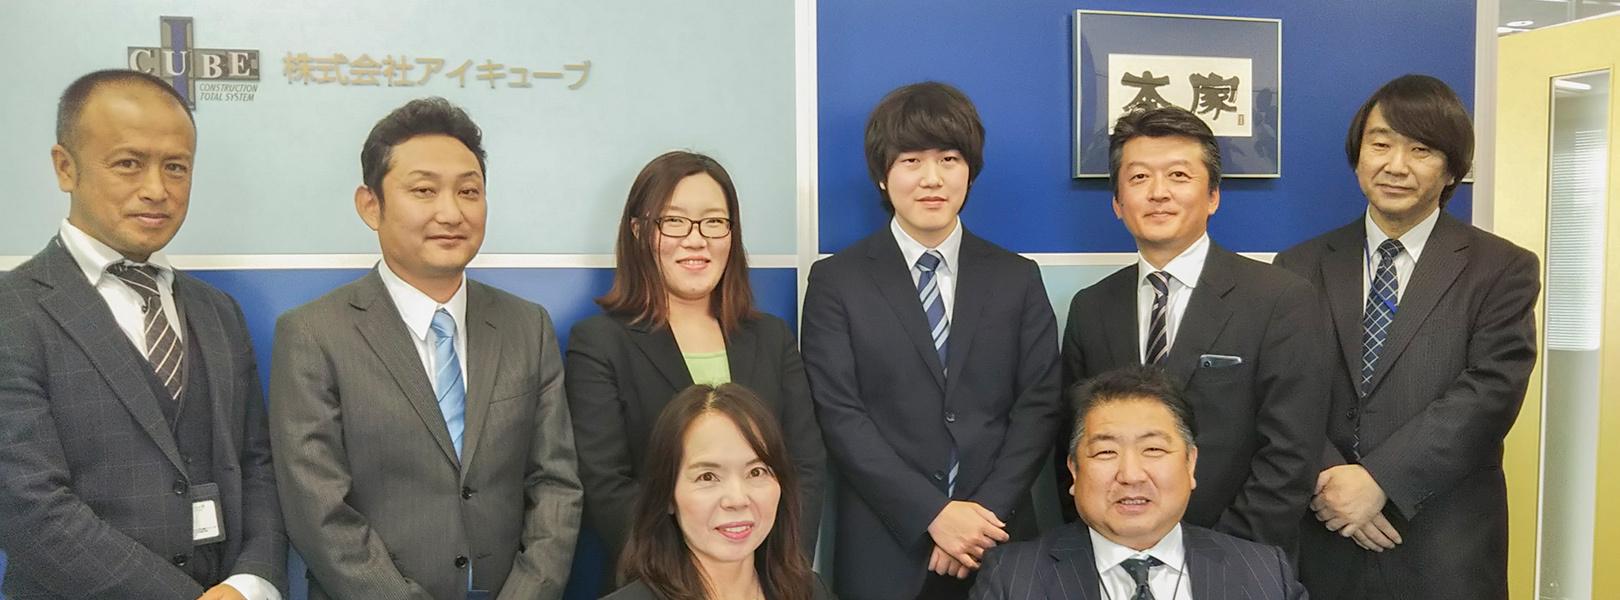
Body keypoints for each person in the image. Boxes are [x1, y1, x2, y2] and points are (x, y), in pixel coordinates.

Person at [269, 97, 582, 599]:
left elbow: (556, 484)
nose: (451, 212)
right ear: (371, 205)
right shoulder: (313, 334)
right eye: (424, 190)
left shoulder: (528, 326)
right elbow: (319, 512)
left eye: (469, 191)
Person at [0, 69, 286, 599]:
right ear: (66, 167)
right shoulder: (11, 310)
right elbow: (26, 504)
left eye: (176, 167)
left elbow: (257, 466)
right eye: (128, 163)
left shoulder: (219, 312)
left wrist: (251, 583)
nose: (157, 190)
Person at [1273, 74, 1538, 600]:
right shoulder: (1299, 266)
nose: (1396, 166)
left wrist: (1379, 480)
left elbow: (1490, 391)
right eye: (1381, 144)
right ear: (1358, 156)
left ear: (1452, 169)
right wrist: (1331, 479)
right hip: (1324, 533)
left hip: (1444, 542)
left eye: (1421, 150)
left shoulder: (1502, 268)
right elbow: (1282, 390)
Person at [801, 81, 1062, 599]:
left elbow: (1040, 406)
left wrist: (980, 518)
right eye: (911, 161)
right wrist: (934, 515)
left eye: (948, 159)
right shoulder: (837, 281)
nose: (932, 179)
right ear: (882, 175)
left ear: (970, 170)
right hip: (885, 547)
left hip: (997, 543)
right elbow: (839, 414)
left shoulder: (1017, 278)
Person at [1057, 106, 1328, 554]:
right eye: (1139, 178)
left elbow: (1291, 454)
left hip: (1239, 556)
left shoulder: (1280, 299)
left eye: (1179, 176)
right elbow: (1072, 446)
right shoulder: (1092, 307)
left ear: (1213, 196)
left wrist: (1219, 560)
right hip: (1112, 560)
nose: (1158, 193)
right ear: (1118, 203)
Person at [567, 150, 825, 582]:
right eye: (674, 221)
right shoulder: (600, 343)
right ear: (638, 231)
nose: (696, 239)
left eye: (714, 222)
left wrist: (774, 571)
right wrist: (699, 581)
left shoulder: (772, 338)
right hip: (659, 581)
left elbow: (805, 467)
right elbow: (605, 484)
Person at [972, 366, 1307, 600]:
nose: (1131, 475)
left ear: (1190, 463)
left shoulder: (1264, 574)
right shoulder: (1012, 580)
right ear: (1074, 470)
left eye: (1153, 449)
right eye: (1106, 452)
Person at [605, 383, 831, 600]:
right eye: (708, 477)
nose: (737, 499)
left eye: (756, 472)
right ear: (668, 495)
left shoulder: (810, 592)